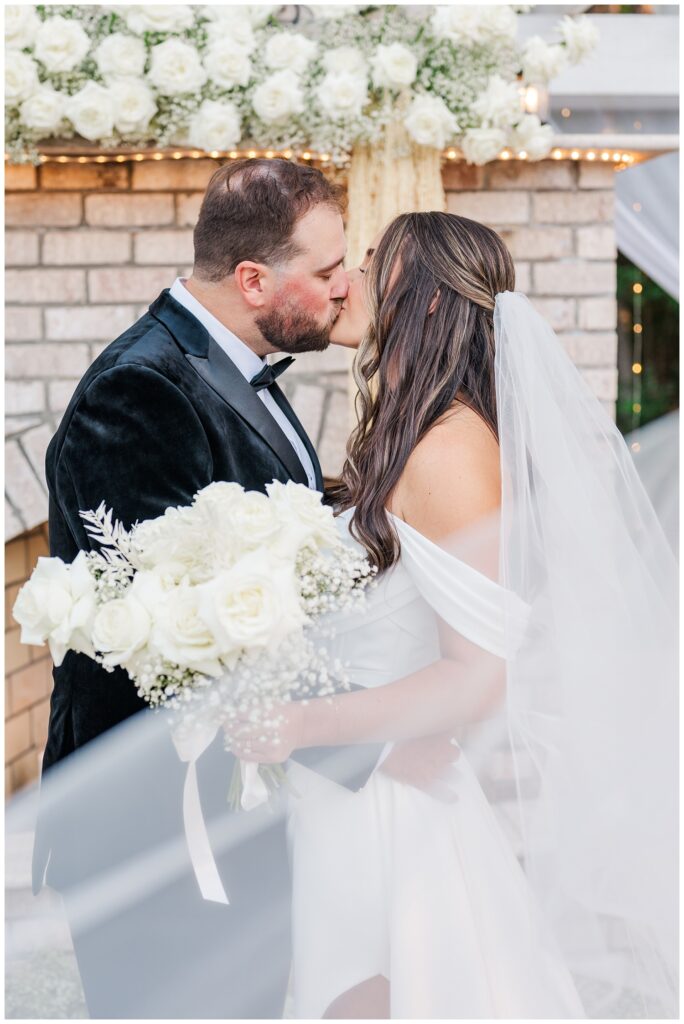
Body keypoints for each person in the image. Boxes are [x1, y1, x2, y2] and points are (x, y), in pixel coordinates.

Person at [229, 212, 678, 1019]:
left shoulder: (448, 446)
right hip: (365, 786)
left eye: (371, 263)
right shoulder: (412, 430)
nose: (349, 280)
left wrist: (301, 724)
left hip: (394, 817)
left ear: (428, 304)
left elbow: (478, 675)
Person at [33, 157, 399, 1019]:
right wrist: (374, 738)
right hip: (163, 828)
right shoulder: (140, 389)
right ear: (252, 279)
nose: (347, 287)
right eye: (325, 271)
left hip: (238, 806)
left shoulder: (235, 365)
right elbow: (175, 637)